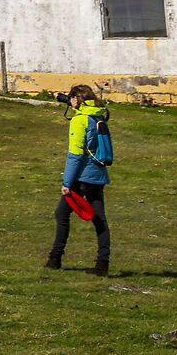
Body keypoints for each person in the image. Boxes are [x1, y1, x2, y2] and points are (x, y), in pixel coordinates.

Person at [47, 84, 112, 276]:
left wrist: (67, 183)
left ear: (76, 99)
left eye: (70, 98)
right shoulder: (99, 115)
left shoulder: (80, 120)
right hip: (98, 174)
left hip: (82, 176)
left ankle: (55, 258)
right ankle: (103, 264)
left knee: (61, 214)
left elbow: (75, 155)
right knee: (99, 219)